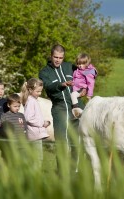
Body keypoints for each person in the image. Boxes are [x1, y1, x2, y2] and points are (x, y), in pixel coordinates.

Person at [39, 44, 85, 172]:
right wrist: (61, 84)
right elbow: (48, 87)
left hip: (77, 107)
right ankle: (62, 173)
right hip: (60, 109)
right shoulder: (44, 72)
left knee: (77, 141)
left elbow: (84, 75)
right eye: (55, 57)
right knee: (62, 142)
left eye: (60, 57)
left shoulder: (70, 66)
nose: (58, 60)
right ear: (51, 55)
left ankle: (75, 171)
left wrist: (84, 89)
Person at [20, 78, 50, 169]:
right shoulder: (31, 101)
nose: (39, 94)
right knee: (38, 158)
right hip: (34, 134)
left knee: (36, 157)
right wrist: (42, 123)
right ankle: (35, 177)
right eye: (37, 91)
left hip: (35, 133)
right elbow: (28, 118)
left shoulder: (32, 100)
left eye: (40, 91)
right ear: (30, 90)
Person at [0, 93, 27, 161]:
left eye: (18, 106)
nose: (17, 108)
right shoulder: (5, 116)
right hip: (10, 144)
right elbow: (0, 127)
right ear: (8, 105)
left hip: (21, 144)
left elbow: (25, 128)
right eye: (15, 106)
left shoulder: (21, 115)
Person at [71, 53, 97, 118]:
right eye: (78, 64)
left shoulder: (87, 72)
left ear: (87, 63)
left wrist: (89, 94)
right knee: (73, 95)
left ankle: (76, 109)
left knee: (73, 95)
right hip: (77, 87)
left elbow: (91, 83)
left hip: (81, 88)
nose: (80, 66)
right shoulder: (79, 70)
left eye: (82, 64)